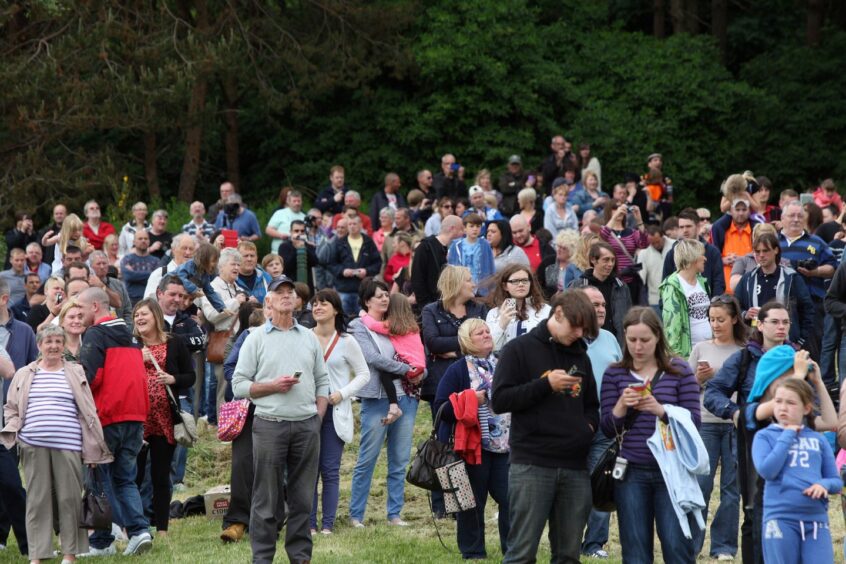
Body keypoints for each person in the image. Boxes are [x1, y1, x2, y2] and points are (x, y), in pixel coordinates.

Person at [491, 291, 599, 563]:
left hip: (575, 466)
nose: (579, 334)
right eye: (575, 326)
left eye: (584, 329)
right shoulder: (519, 349)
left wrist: (587, 427)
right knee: (522, 553)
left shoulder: (581, 356)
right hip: (532, 463)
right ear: (558, 312)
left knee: (568, 555)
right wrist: (545, 385)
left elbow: (591, 405)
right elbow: (501, 399)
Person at [231, 275, 329, 563]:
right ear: (268, 302)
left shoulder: (309, 336)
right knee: (266, 500)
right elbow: (238, 385)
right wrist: (272, 386)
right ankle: (262, 558)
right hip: (269, 426)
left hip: (307, 426)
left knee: (302, 499)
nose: (287, 296)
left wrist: (318, 416)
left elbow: (323, 381)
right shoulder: (255, 338)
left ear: (297, 301)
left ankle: (300, 557)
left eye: (291, 292)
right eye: (280, 292)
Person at [0, 324, 112, 563]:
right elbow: (10, 407)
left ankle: (69, 554)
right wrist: (14, 427)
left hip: (69, 444)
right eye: (48, 342)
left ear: (63, 346)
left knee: (69, 499)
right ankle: (37, 555)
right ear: (39, 345)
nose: (53, 346)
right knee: (37, 501)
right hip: (32, 445)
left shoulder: (75, 371)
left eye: (57, 342)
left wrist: (93, 446)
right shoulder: (25, 373)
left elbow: (88, 410)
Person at [600, 307, 701, 563]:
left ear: (658, 337)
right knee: (635, 550)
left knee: (676, 545)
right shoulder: (615, 373)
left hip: (672, 471)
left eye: (645, 340)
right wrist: (622, 406)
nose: (638, 346)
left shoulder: (678, 370)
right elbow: (607, 428)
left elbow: (694, 424)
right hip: (631, 470)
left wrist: (661, 410)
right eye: (632, 339)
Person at [704, 301, 791, 564]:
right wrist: (734, 412)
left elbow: (812, 403)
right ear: (760, 325)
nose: (781, 327)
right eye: (774, 322)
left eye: (785, 322)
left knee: (787, 512)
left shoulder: (796, 358)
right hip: (752, 444)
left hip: (789, 444)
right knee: (754, 513)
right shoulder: (744, 357)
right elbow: (713, 392)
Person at [76, 287, 152, 556]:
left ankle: (102, 542)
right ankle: (140, 531)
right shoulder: (130, 335)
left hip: (108, 416)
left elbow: (89, 377)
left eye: (82, 309)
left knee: (98, 478)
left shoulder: (97, 334)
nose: (79, 315)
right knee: (125, 479)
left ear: (95, 306)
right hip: (135, 416)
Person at [433, 319, 510, 559]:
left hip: (506, 445)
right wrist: (469, 400)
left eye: (488, 331)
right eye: (480, 333)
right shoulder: (457, 369)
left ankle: (514, 549)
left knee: (511, 499)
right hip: (471, 447)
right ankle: (473, 551)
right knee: (472, 502)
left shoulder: (504, 364)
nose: (487, 335)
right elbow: (440, 408)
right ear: (467, 340)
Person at [348, 279, 422, 527]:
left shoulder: (398, 323)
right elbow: (373, 358)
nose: (384, 299)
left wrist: (419, 372)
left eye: (386, 295)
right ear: (367, 301)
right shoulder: (359, 326)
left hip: (407, 396)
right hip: (378, 398)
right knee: (367, 459)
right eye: (378, 296)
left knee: (400, 460)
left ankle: (394, 514)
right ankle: (356, 515)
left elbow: (417, 353)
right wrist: (406, 369)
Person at [752, 378, 841, 564]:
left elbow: (835, 480)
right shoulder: (764, 436)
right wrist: (787, 435)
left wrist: (823, 484)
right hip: (780, 519)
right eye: (778, 401)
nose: (783, 407)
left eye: (791, 403)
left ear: (806, 408)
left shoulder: (819, 440)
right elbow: (767, 470)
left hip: (816, 521)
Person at [688, 295, 746, 560]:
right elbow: (687, 389)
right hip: (706, 423)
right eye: (711, 319)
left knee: (731, 490)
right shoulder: (700, 348)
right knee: (701, 486)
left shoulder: (744, 351)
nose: (716, 324)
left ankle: (724, 547)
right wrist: (699, 379)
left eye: (721, 319)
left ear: (734, 319)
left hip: (735, 424)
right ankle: (691, 545)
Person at [131, 298, 194, 537]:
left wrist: (173, 379)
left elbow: (191, 376)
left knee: (160, 475)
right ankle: (134, 528)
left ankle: (162, 529)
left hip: (165, 418)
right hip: (137, 419)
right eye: (136, 315)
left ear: (156, 316)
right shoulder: (131, 345)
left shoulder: (175, 343)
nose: (139, 318)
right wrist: (139, 359)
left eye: (144, 314)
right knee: (133, 476)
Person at [308, 289, 370, 534]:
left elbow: (364, 374)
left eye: (323, 303)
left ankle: (328, 525)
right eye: (314, 304)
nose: (317, 307)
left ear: (335, 309)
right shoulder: (304, 336)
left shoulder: (346, 341)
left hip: (334, 412)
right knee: (309, 470)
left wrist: (342, 393)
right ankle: (310, 524)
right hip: (307, 411)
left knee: (330, 469)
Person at [577, 286, 623, 559]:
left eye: (603, 304)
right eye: (594, 304)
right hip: (573, 426)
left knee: (601, 482)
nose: (601, 309)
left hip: (606, 426)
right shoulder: (567, 340)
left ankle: (594, 543)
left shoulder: (610, 339)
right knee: (573, 485)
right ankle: (569, 538)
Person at [0, 277, 37, 558]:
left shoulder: (23, 331)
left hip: (8, 420)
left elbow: (20, 370)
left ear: (3, 299)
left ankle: (30, 543)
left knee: (11, 483)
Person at [778, 200, 836, 361]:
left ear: (805, 219)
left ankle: (813, 385)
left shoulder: (817, 242)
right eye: (791, 215)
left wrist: (815, 271)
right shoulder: (773, 242)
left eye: (800, 216)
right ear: (782, 218)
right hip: (780, 305)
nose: (796, 219)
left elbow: (833, 268)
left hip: (811, 305)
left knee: (812, 353)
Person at [735, 232, 814, 349]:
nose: (761, 255)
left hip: (785, 342)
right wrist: (745, 314)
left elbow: (807, 310)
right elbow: (735, 306)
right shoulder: (747, 279)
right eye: (757, 252)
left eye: (765, 251)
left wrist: (800, 341)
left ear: (776, 250)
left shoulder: (791, 278)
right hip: (756, 342)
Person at [361, 293, 425, 424]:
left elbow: (372, 325)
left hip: (409, 364)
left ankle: (394, 406)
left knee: (385, 374)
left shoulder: (394, 325)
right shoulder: (412, 326)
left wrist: (363, 315)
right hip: (419, 364)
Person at [197, 247, 244, 424]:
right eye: (233, 264)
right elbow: (212, 316)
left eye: (239, 264)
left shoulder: (237, 286)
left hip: (239, 340)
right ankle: (223, 429)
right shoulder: (212, 287)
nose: (237, 268)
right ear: (221, 266)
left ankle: (234, 426)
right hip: (224, 341)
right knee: (224, 387)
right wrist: (236, 302)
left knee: (235, 386)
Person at [569, 241, 631, 344]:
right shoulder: (578, 287)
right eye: (606, 260)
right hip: (587, 344)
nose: (610, 264)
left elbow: (628, 318)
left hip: (617, 343)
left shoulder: (621, 287)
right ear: (593, 260)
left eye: (612, 260)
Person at [660, 238, 711, 359]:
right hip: (688, 356)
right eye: (702, 255)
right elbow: (672, 328)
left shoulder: (702, 281)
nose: (705, 259)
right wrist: (678, 362)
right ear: (692, 258)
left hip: (708, 351)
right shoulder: (672, 286)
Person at [486, 264, 550, 354]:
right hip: (507, 363)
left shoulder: (545, 310)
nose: (520, 284)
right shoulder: (493, 313)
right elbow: (491, 348)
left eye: (524, 280)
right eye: (515, 281)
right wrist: (502, 324)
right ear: (505, 286)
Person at [662, 209, 726, 297]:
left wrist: (714, 308)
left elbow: (718, 284)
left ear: (698, 226)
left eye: (688, 226)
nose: (685, 230)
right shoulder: (672, 253)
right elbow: (665, 284)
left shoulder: (712, 252)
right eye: (681, 227)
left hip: (708, 307)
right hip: (679, 308)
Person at [328, 215, 382, 316]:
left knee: (365, 319)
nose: (352, 226)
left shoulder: (368, 242)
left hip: (363, 290)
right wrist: (342, 271)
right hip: (344, 289)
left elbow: (377, 263)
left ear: (361, 225)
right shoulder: (339, 242)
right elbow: (331, 264)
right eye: (350, 224)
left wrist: (367, 271)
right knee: (343, 319)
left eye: (355, 224)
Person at [411, 215, 465, 312]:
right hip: (431, 305)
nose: (464, 232)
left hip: (452, 304)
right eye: (461, 228)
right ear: (452, 229)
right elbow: (417, 279)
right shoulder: (425, 247)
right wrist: (426, 306)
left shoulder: (457, 249)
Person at [712, 198, 757, 291]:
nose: (741, 213)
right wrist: (722, 260)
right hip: (725, 289)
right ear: (731, 211)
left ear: (749, 211)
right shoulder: (721, 231)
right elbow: (711, 258)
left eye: (744, 209)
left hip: (750, 289)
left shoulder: (755, 231)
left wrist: (742, 260)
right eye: (737, 209)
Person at [447, 213, 495, 290]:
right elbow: (451, 267)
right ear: (464, 228)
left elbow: (491, 267)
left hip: (481, 288)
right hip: (461, 288)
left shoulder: (485, 244)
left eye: (478, 226)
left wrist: (491, 288)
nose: (475, 229)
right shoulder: (456, 245)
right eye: (471, 226)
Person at [637, 225, 671, 314]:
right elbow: (641, 279)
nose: (656, 245)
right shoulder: (644, 254)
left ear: (663, 236)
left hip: (674, 297)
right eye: (652, 243)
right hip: (655, 300)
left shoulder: (675, 246)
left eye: (658, 241)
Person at [278, 220, 319, 293]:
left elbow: (315, 262)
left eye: (302, 231)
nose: (299, 233)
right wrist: (296, 249)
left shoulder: (309, 245)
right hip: (290, 285)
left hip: (307, 286)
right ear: (291, 232)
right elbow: (286, 266)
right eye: (296, 231)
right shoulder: (284, 246)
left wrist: (304, 247)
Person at [539, 229, 581, 298]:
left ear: (572, 250)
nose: (558, 250)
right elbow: (538, 285)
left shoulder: (578, 266)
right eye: (558, 246)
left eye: (563, 248)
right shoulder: (548, 262)